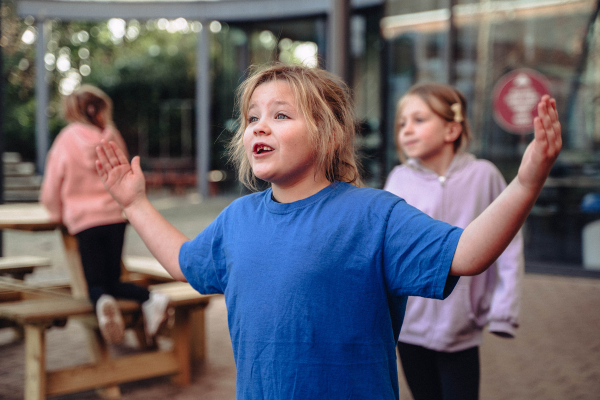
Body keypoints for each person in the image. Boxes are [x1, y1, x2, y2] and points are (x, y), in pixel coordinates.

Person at [95, 63, 560, 399]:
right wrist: (135, 205)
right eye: (252, 116)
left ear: (327, 132)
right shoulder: (237, 220)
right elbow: (182, 261)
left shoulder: (373, 215)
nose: (260, 125)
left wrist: (525, 183)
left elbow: (468, 254)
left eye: (280, 115)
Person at [384, 82, 524, 400]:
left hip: (461, 327)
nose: (406, 129)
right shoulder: (398, 179)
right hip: (410, 329)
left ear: (451, 130)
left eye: (419, 120)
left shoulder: (484, 175)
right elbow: (388, 250)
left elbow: (509, 245)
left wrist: (503, 310)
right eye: (402, 122)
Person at [40, 84, 170, 345]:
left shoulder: (67, 139)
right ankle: (150, 299)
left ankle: (103, 302)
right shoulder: (112, 136)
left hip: (84, 221)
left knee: (94, 284)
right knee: (113, 278)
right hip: (115, 218)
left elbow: (52, 183)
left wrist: (56, 213)